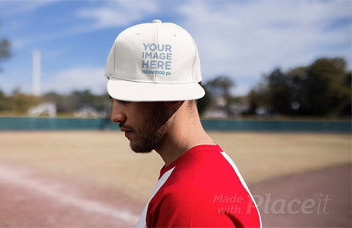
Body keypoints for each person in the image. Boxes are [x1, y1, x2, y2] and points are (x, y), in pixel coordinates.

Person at [105, 19, 261, 227]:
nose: (115, 116)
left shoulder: (190, 199)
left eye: (127, 99)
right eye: (114, 99)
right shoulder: (196, 174)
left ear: (175, 96)